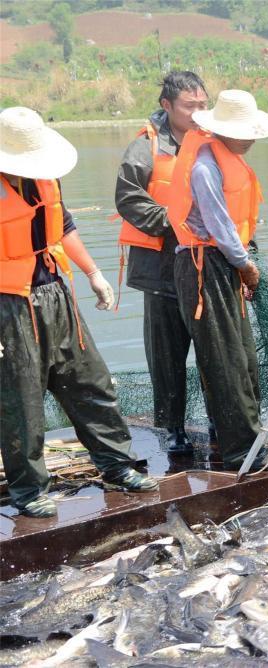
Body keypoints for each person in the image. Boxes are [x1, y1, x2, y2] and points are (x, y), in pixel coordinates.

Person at [0, 107, 158, 518]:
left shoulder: (45, 178)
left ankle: (116, 465)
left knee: (90, 381)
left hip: (55, 293)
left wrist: (94, 273)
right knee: (21, 401)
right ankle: (29, 490)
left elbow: (63, 226)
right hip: (8, 304)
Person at [165, 89, 268, 472]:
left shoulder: (227, 157)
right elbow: (217, 225)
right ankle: (239, 450)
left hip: (225, 263)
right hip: (205, 267)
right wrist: (245, 265)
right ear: (223, 131)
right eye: (244, 132)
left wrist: (243, 262)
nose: (250, 139)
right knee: (225, 359)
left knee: (244, 357)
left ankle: (249, 436)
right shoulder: (204, 166)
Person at [114, 71, 208, 454]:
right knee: (167, 357)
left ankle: (221, 423)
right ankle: (172, 430)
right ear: (167, 106)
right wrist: (171, 219)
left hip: (206, 268)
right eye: (190, 106)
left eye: (203, 104)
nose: (198, 112)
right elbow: (128, 197)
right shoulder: (146, 147)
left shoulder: (215, 140)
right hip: (161, 271)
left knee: (214, 352)